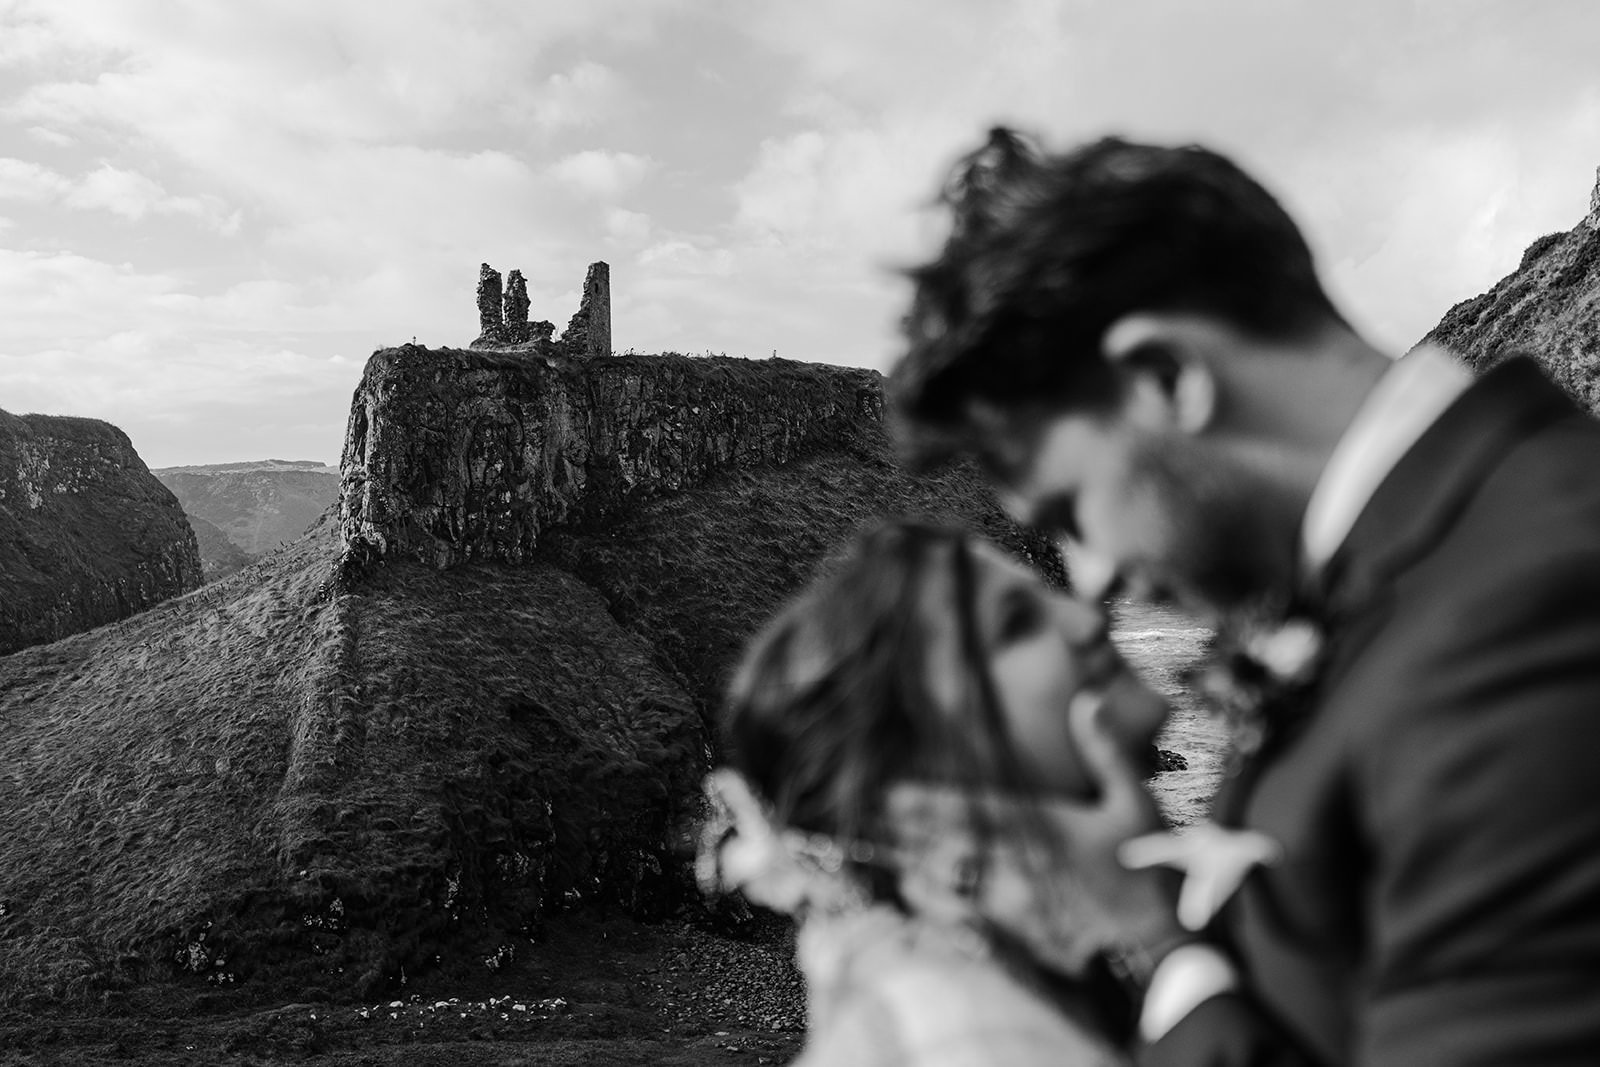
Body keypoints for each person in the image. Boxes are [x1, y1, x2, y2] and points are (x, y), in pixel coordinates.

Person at [887, 127, 1600, 1065]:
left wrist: (1159, 949)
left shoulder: (1525, 610)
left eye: (1071, 508)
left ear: (1165, 378)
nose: (1092, 581)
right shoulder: (1428, 567)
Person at [698, 521, 1171, 1066]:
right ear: (913, 798)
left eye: (1048, 598)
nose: (1090, 619)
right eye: (1017, 624)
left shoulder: (1023, 984)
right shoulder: (970, 1041)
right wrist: (1157, 929)